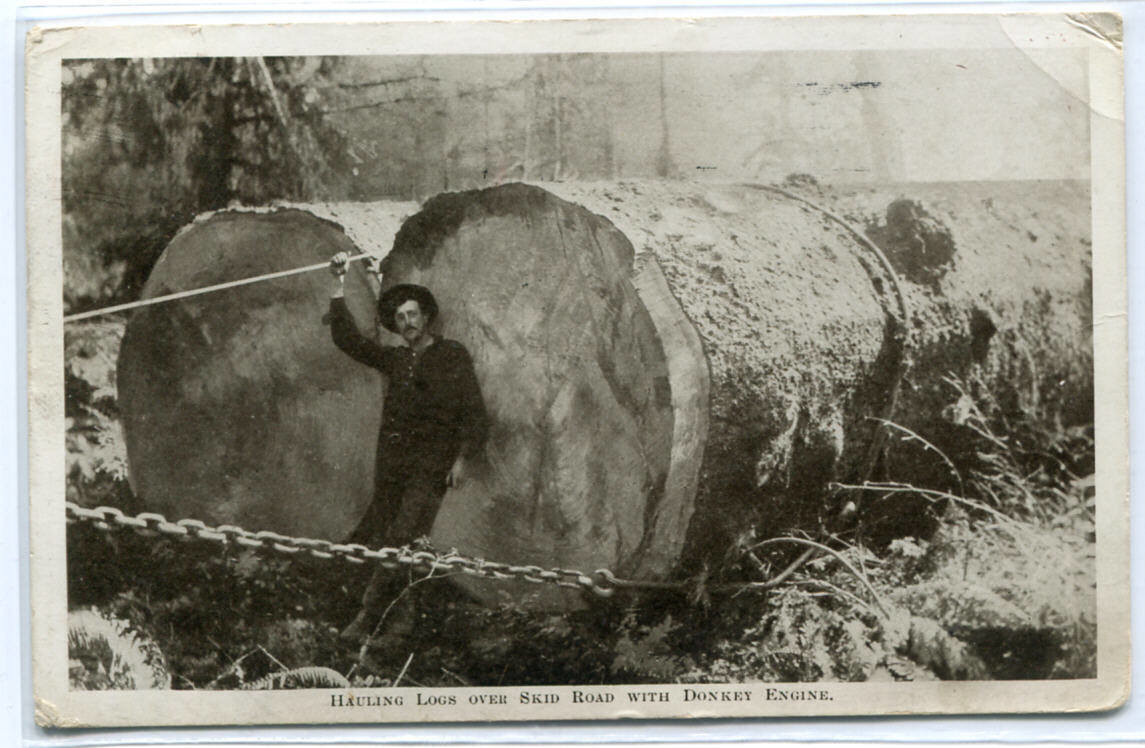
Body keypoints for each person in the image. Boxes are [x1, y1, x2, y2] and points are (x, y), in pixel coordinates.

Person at [326, 251, 488, 646]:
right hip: (393, 463)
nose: (407, 323)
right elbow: (348, 340)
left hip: (431, 464)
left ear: (426, 316)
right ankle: (401, 623)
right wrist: (338, 282)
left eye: (413, 314)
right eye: (399, 318)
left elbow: (474, 409)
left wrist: (463, 457)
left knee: (401, 536)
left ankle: (367, 617)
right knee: (396, 537)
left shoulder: (452, 355)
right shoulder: (396, 359)